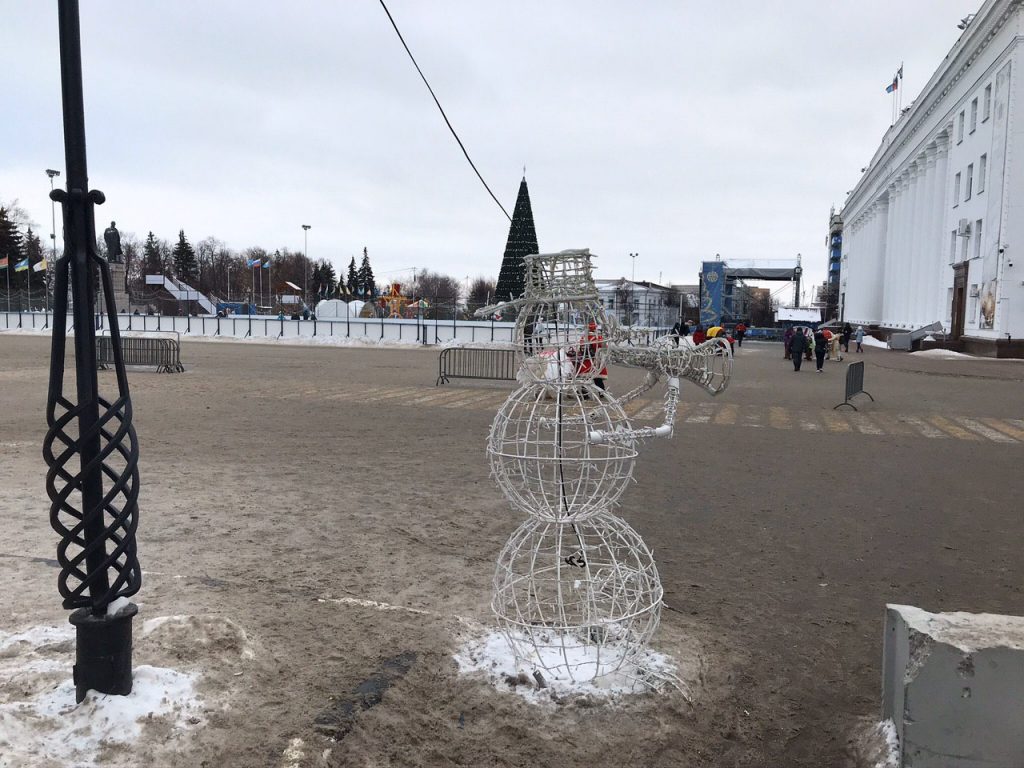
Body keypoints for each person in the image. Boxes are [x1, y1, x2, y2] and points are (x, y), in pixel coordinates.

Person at [575, 321, 608, 391]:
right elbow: (604, 347)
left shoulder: (583, 338)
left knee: (585, 379)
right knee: (597, 379)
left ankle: (584, 394)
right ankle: (602, 392)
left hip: (585, 361)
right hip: (594, 361)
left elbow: (579, 348)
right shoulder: (597, 337)